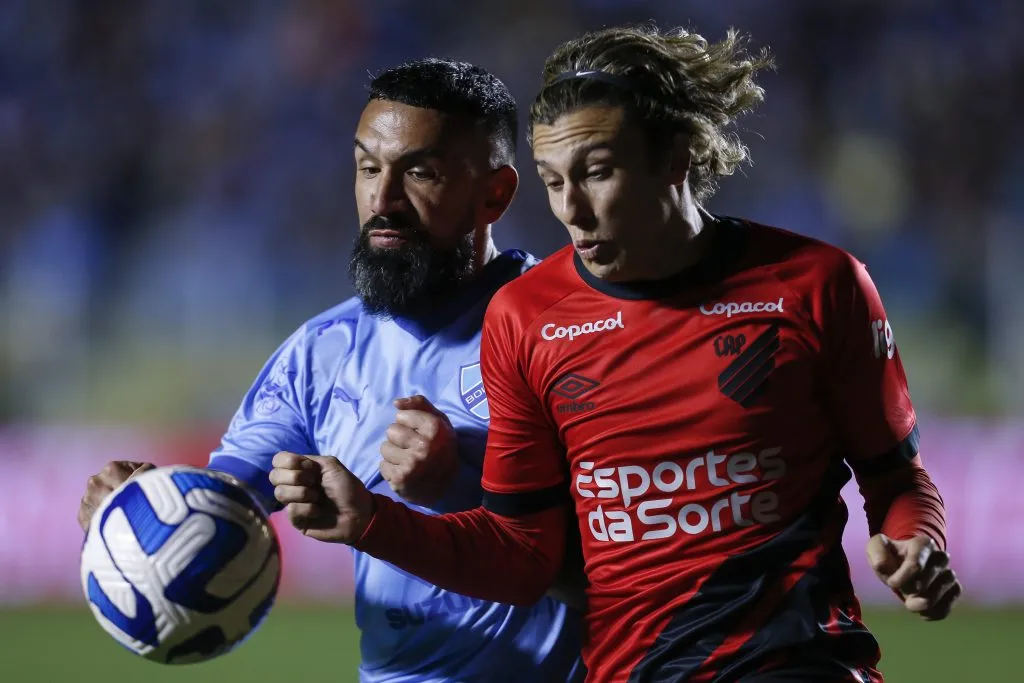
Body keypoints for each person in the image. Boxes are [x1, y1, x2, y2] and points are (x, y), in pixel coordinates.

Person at [270, 26, 964, 683]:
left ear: (673, 159)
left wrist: (918, 547)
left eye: (597, 171)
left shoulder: (816, 285)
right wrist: (372, 521)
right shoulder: (526, 318)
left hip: (793, 662)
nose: (573, 208)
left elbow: (896, 478)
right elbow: (523, 556)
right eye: (552, 179)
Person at [76, 58, 584, 683]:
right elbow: (221, 507)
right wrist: (141, 511)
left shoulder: (566, 331)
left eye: (419, 172)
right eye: (368, 168)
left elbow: (633, 563)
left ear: (495, 193)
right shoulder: (322, 351)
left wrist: (460, 485)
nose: (383, 199)